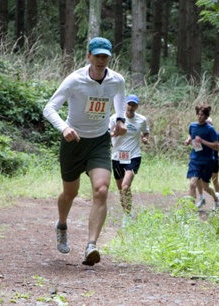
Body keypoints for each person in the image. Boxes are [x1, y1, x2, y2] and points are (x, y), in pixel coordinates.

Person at [43, 37, 127, 266]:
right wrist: (64, 128)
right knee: (70, 193)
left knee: (101, 190)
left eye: (105, 57)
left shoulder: (116, 80)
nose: (101, 61)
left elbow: (120, 96)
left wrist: (119, 119)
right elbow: (49, 108)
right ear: (88, 56)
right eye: (97, 56)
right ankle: (61, 224)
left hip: (99, 142)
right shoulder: (75, 80)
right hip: (73, 142)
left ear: (110, 58)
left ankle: (91, 245)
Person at [109, 94, 150, 221]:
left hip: (133, 156)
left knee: (125, 186)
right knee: (122, 189)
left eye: (133, 105)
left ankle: (127, 218)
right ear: (125, 104)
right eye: (129, 104)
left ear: (137, 106)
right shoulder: (115, 118)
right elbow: (107, 133)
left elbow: (145, 131)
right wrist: (115, 133)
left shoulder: (141, 120)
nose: (131, 107)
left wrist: (144, 138)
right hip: (117, 157)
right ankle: (127, 213)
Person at [184, 104, 219, 211]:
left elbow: (216, 145)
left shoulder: (210, 129)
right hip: (195, 159)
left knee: (205, 187)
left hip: (207, 161)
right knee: (192, 184)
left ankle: (216, 198)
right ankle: (191, 210)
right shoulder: (192, 126)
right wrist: (188, 140)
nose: (199, 117)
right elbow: (191, 135)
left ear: (206, 116)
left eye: (202, 115)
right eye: (198, 114)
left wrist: (202, 141)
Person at [196, 117, 219, 209]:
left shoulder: (216, 134)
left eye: (209, 124)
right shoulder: (200, 134)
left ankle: (216, 201)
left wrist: (214, 147)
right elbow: (197, 147)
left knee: (215, 181)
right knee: (197, 178)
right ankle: (201, 197)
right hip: (202, 160)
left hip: (213, 161)